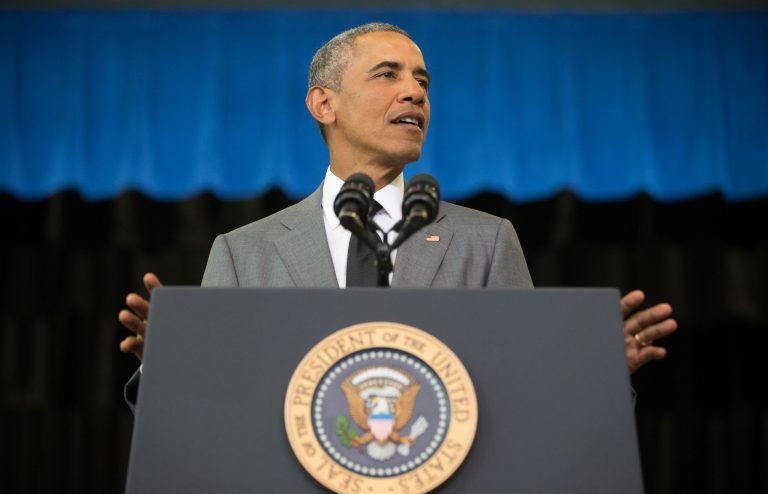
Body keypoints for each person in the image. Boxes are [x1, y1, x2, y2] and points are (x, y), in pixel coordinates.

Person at [119, 23, 677, 404]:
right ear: (324, 103)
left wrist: (595, 381)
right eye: (388, 75)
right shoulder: (245, 253)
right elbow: (214, 412)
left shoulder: (485, 242)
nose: (414, 92)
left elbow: (523, 397)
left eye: (422, 81)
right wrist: (170, 370)